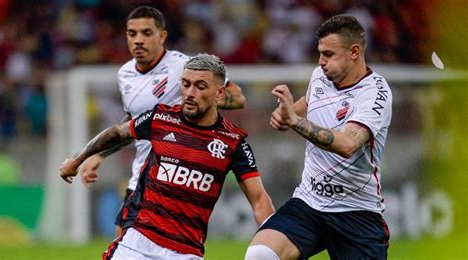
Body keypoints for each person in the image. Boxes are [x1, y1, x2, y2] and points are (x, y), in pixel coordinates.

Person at [60, 53, 274, 259]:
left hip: (186, 252)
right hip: (138, 243)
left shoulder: (233, 142)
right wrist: (78, 159)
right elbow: (118, 132)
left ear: (219, 94)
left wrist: (272, 244)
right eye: (186, 84)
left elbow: (259, 199)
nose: (190, 93)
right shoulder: (160, 118)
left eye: (200, 86)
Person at [79, 6, 246, 237]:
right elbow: (133, 121)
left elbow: (237, 97)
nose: (138, 40)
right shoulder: (125, 74)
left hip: (174, 175)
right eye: (132, 33)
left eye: (147, 33)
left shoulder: (182, 66)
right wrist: (99, 154)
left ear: (162, 36)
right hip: (141, 176)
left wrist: (190, 106)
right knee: (122, 240)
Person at [245, 15, 392, 260]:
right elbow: (311, 101)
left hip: (356, 213)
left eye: (329, 54)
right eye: (320, 53)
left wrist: (295, 120)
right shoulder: (320, 76)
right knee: (260, 255)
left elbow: (348, 144)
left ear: (354, 52)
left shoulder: (375, 93)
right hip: (310, 203)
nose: (321, 62)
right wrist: (288, 113)